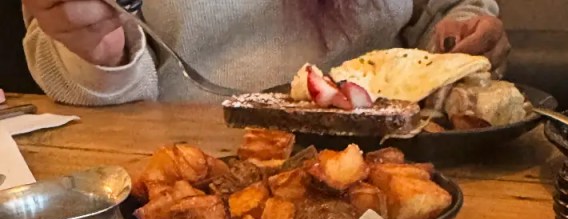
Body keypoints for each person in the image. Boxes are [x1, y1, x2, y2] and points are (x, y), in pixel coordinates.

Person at [22, 0, 510, 106]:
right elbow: (83, 48)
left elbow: (443, 10)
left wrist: (456, 38)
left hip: (394, 161)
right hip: (188, 166)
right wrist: (102, 56)